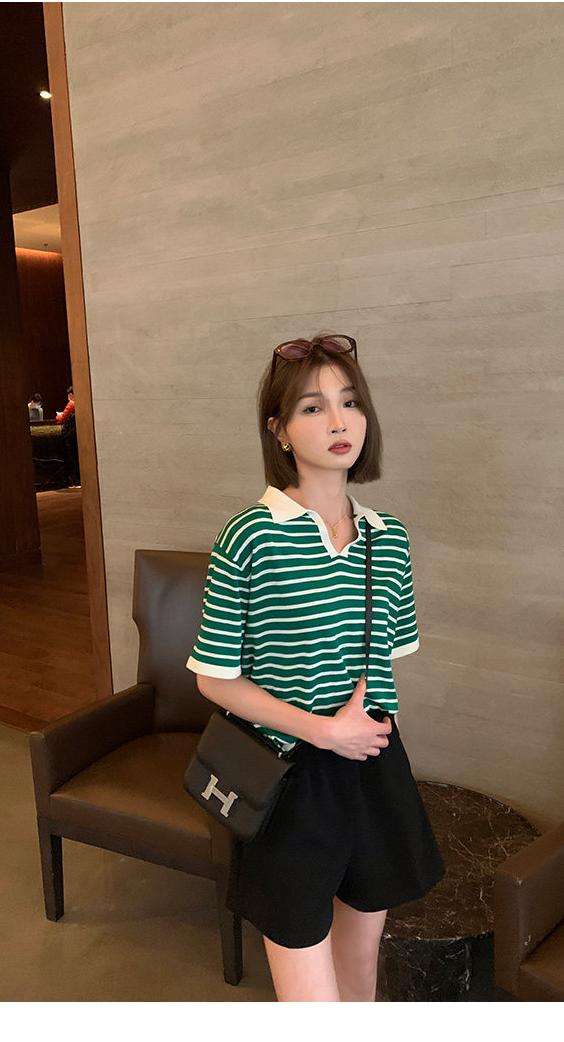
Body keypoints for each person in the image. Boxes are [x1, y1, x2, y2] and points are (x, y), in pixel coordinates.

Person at [186, 333, 445, 1002]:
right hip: (289, 778)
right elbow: (213, 678)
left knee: (360, 975)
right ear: (278, 429)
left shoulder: (389, 537)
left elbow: (384, 663)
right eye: (312, 407)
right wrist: (324, 730)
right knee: (309, 993)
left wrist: (355, 733)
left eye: (350, 402)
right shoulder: (250, 535)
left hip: (373, 766)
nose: (338, 422)